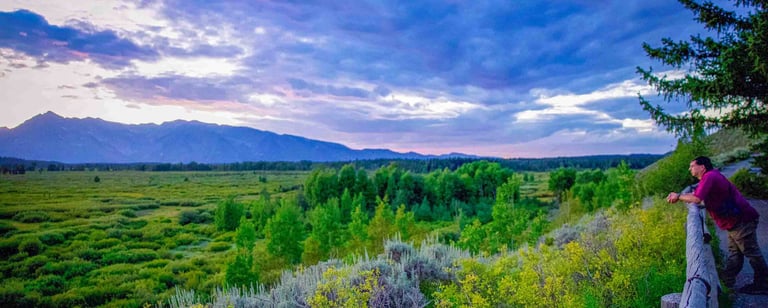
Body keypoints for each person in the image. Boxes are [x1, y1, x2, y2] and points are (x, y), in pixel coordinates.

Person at [666, 156, 768, 294]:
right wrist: (682, 196)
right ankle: (727, 281)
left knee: (751, 252)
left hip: (741, 220)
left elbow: (697, 198)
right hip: (735, 221)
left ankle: (762, 284)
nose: (690, 169)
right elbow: (697, 194)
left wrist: (678, 196)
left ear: (702, 167)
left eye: (692, 166)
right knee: (735, 252)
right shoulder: (710, 177)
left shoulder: (709, 177)